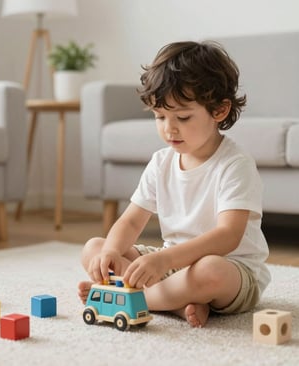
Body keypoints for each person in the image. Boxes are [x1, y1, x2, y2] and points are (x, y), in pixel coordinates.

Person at [78, 41, 271, 328]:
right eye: (159, 117)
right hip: (170, 266)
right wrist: (110, 254)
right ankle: (175, 303)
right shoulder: (161, 162)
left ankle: (136, 297)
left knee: (210, 271)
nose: (169, 128)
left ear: (219, 110)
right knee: (94, 247)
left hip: (230, 268)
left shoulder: (235, 164)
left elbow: (227, 236)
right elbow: (131, 222)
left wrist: (164, 261)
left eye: (182, 117)